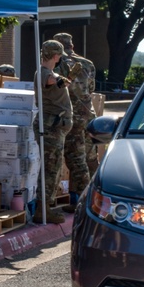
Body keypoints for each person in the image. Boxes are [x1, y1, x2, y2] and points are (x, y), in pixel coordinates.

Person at [53, 32, 97, 210]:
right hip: (89, 115)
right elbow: (91, 88)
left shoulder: (59, 64)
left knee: (75, 159)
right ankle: (97, 196)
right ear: (72, 45)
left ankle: (82, 202)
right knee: (90, 158)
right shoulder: (87, 63)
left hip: (71, 116)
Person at [35, 39, 72, 224]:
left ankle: (46, 206)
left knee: (54, 167)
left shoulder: (49, 72)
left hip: (55, 127)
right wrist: (59, 80)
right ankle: (43, 209)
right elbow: (49, 82)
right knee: (51, 168)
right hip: (50, 128)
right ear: (56, 56)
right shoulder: (43, 73)